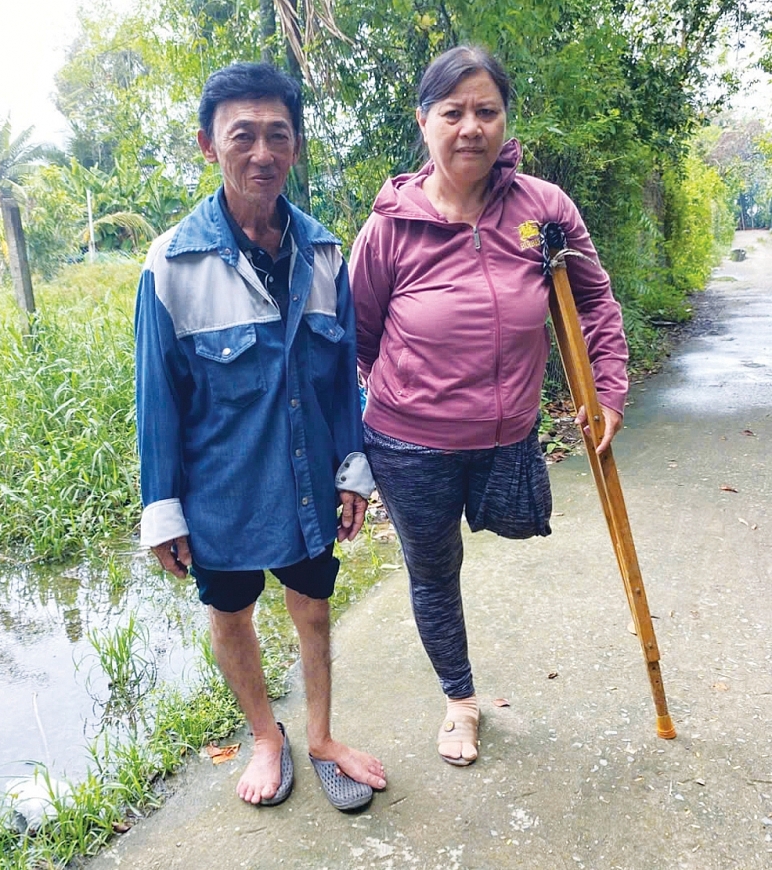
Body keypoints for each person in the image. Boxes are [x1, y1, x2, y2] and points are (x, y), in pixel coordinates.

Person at [349, 46, 628, 767]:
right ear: (424, 121)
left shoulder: (544, 211)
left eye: (486, 111)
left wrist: (607, 390)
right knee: (435, 573)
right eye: (453, 112)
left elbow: (593, 302)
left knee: (518, 525)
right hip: (410, 444)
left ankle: (463, 686)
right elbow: (357, 339)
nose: (470, 127)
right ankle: (460, 702)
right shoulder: (389, 228)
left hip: (509, 436)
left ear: (505, 120)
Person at [135, 62, 386, 810]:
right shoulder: (172, 262)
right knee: (231, 613)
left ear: (297, 147)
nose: (262, 153)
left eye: (278, 135)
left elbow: (342, 373)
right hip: (221, 488)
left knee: (312, 607)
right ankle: (266, 737)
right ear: (209, 146)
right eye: (242, 135)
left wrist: (353, 468)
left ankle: (319, 736)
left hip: (311, 480)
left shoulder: (322, 254)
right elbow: (158, 396)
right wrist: (163, 506)